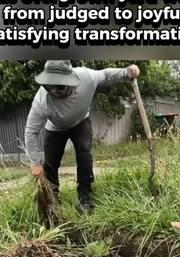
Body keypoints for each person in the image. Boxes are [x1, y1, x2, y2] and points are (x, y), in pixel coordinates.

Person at [25, 60, 140, 212]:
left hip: (80, 122)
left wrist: (127, 72)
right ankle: (52, 199)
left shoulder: (86, 77)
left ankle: (84, 196)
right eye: (50, 87)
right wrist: (35, 163)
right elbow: (31, 132)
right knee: (50, 164)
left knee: (84, 152)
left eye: (60, 87)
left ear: (72, 81)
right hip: (55, 129)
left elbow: (105, 74)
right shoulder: (41, 101)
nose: (55, 91)